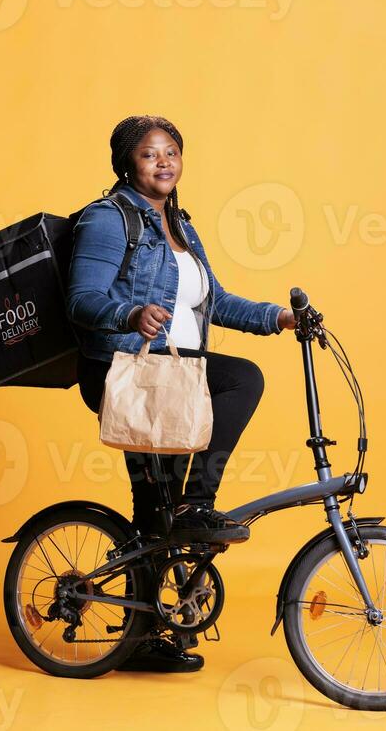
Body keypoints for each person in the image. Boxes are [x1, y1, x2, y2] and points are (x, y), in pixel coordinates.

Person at [65, 114, 296, 671]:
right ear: (127, 163)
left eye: (171, 151)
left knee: (157, 511)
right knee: (242, 378)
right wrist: (130, 311)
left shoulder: (181, 226)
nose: (164, 162)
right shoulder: (107, 219)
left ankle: (145, 639)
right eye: (150, 154)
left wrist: (280, 317)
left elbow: (215, 301)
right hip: (132, 372)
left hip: (178, 375)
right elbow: (81, 300)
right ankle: (198, 505)